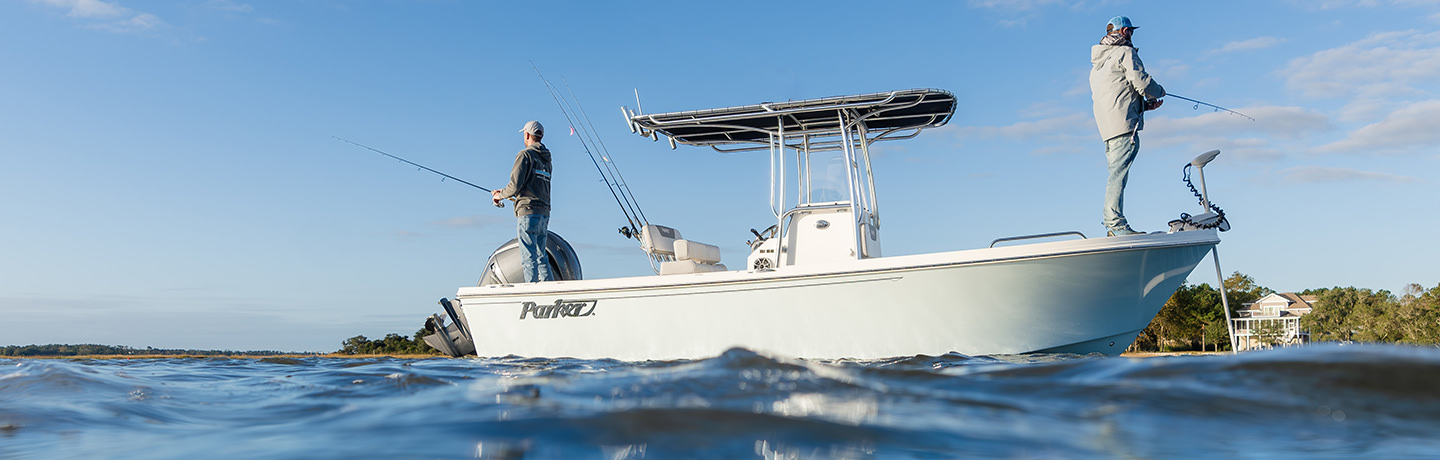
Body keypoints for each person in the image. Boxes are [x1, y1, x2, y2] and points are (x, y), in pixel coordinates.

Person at [1090, 15, 1165, 237]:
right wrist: (1159, 92)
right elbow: (1142, 82)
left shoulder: (1096, 67)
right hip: (1124, 126)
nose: (1132, 35)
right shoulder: (1125, 53)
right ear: (1124, 32)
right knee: (1118, 175)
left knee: (1115, 173)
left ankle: (1112, 226)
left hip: (1107, 128)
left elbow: (1117, 93)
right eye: (1130, 31)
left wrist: (1143, 106)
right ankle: (1115, 224)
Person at [493, 120, 555, 282]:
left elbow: (514, 186)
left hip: (527, 213)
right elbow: (531, 187)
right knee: (542, 257)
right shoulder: (547, 160)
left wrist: (499, 195)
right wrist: (506, 193)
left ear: (527, 135)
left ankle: (531, 294)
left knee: (529, 259)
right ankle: (550, 290)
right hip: (544, 213)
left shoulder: (525, 155)